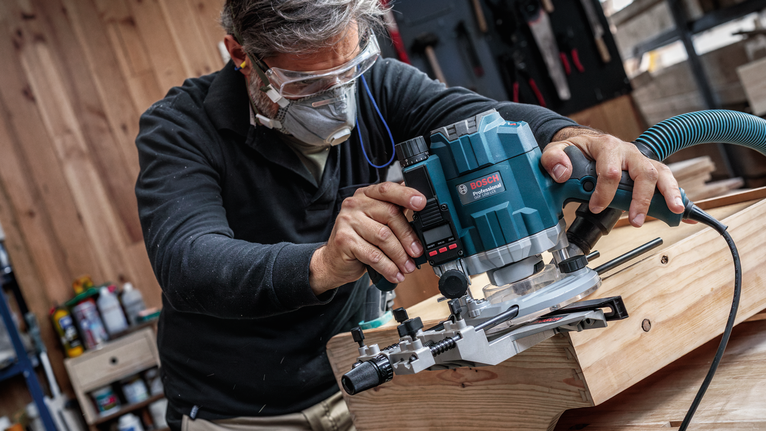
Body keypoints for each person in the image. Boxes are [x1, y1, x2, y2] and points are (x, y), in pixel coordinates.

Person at [134, 1, 685, 430]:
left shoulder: (379, 88)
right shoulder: (181, 128)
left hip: (367, 369)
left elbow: (479, 117)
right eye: (306, 86)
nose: (338, 100)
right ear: (239, 52)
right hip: (242, 409)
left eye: (349, 70)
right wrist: (323, 264)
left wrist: (572, 135)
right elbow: (189, 261)